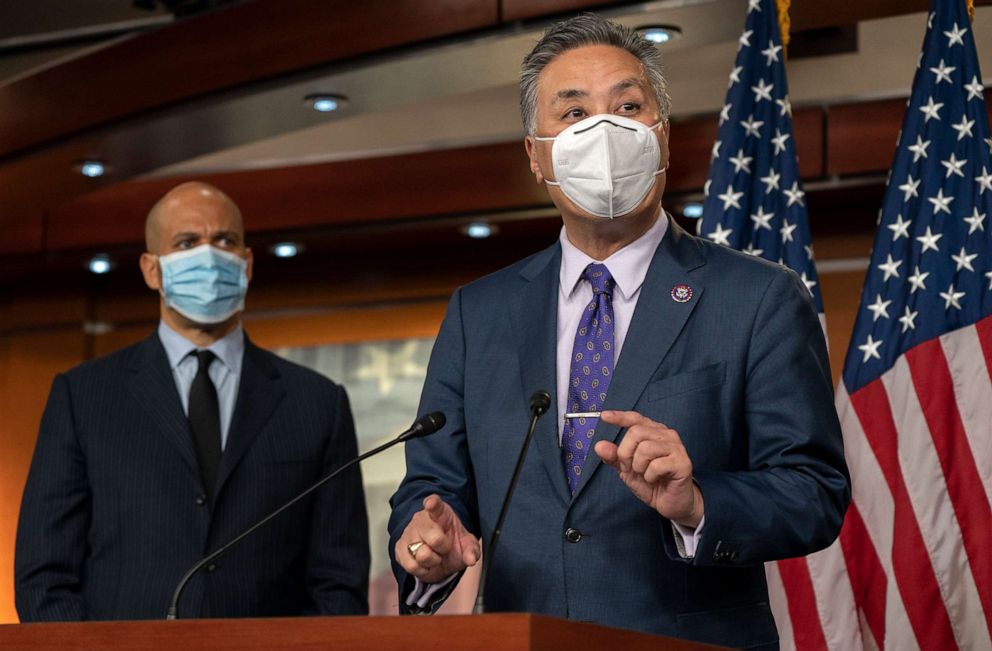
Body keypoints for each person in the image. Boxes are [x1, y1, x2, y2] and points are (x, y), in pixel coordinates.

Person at [388, 14, 849, 649]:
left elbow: (812, 491)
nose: (604, 130)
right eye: (573, 114)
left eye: (628, 106)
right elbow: (431, 488)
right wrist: (426, 548)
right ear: (535, 153)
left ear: (661, 136)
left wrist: (696, 504)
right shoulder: (478, 312)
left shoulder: (759, 297)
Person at [15, 182, 369, 620]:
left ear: (247, 262)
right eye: (187, 242)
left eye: (225, 240)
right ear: (152, 270)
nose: (209, 255)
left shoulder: (318, 403)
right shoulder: (83, 396)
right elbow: (45, 575)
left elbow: (338, 581)